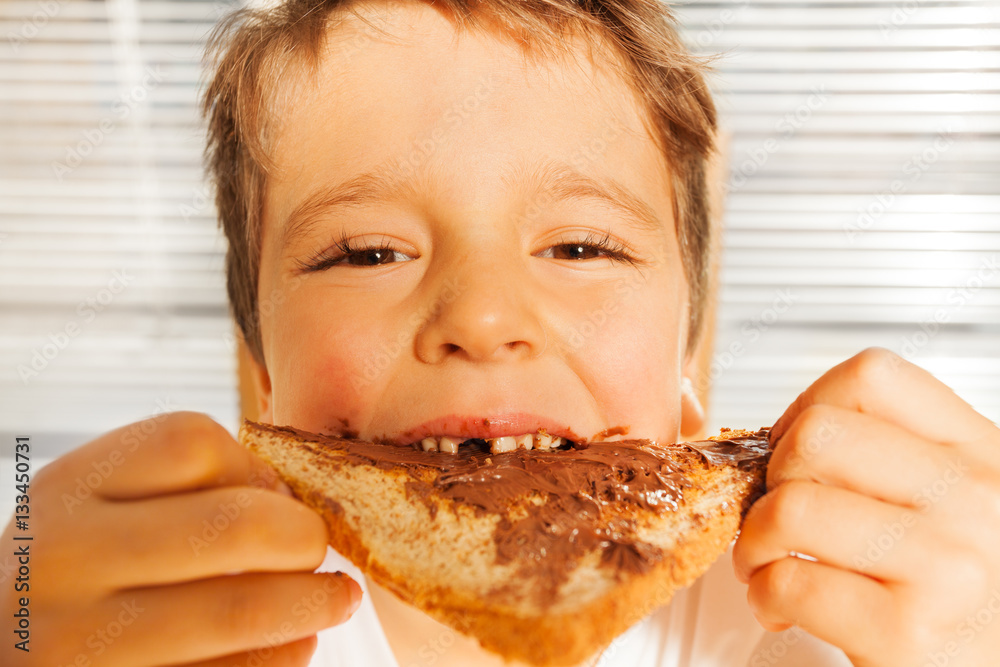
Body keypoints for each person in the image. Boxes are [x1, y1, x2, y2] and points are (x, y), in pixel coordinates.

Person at [4, 1, 998, 665]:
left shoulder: (815, 628)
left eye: (579, 247)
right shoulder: (153, 629)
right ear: (262, 365)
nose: (482, 319)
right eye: (365, 253)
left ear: (687, 355)